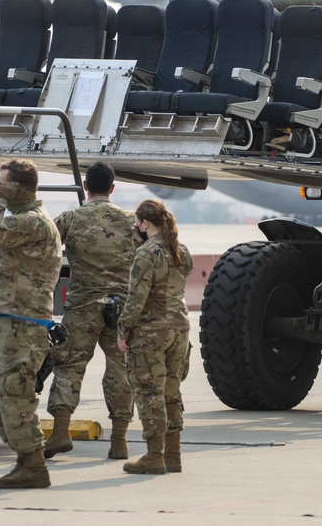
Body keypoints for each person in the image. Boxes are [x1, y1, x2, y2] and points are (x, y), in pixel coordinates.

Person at [0, 159, 62, 489]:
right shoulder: (23, 222)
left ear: (16, 188)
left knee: (15, 394)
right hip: (10, 318)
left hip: (24, 324)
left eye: (1, 184)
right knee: (0, 396)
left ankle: (34, 464)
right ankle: (25, 460)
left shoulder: (32, 222)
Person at [45, 162, 137, 460]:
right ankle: (119, 441)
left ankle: (60, 433)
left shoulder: (71, 219)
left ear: (86, 186)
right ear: (112, 188)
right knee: (120, 370)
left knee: (68, 366)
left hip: (83, 307)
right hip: (122, 308)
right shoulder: (133, 222)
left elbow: (42, 246)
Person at [116, 199, 193, 475]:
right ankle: (173, 455)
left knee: (150, 393)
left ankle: (153, 456)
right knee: (171, 392)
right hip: (179, 330)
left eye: (138, 223)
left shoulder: (146, 253)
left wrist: (123, 330)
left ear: (145, 223)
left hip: (151, 333)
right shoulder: (180, 250)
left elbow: (137, 298)